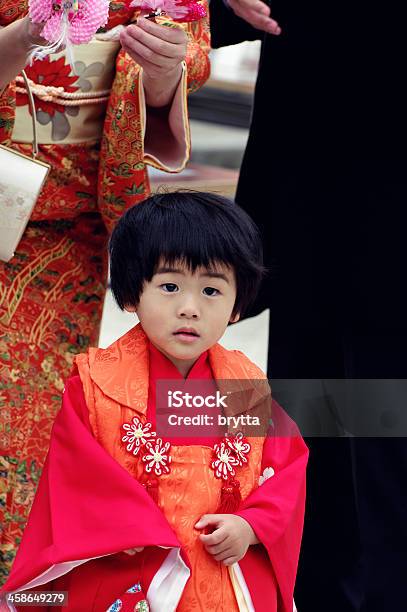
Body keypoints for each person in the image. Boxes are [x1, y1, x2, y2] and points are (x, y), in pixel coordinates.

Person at [0, 191, 308, 611]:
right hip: (129, 572)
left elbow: (286, 469)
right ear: (131, 294)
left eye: (212, 291)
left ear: (238, 306)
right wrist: (149, 536)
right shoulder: (97, 383)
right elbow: (76, 483)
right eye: (169, 286)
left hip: (221, 575)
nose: (189, 308)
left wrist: (250, 525)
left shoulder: (245, 387)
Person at [0, 4, 210, 584]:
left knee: (33, 427)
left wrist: (164, 73)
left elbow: (191, 48)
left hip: (68, 233)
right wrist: (19, 39)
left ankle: (19, 585)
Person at [210, 1, 407, 611]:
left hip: (377, 198)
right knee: (315, 428)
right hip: (312, 199)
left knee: (385, 427)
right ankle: (321, 591)